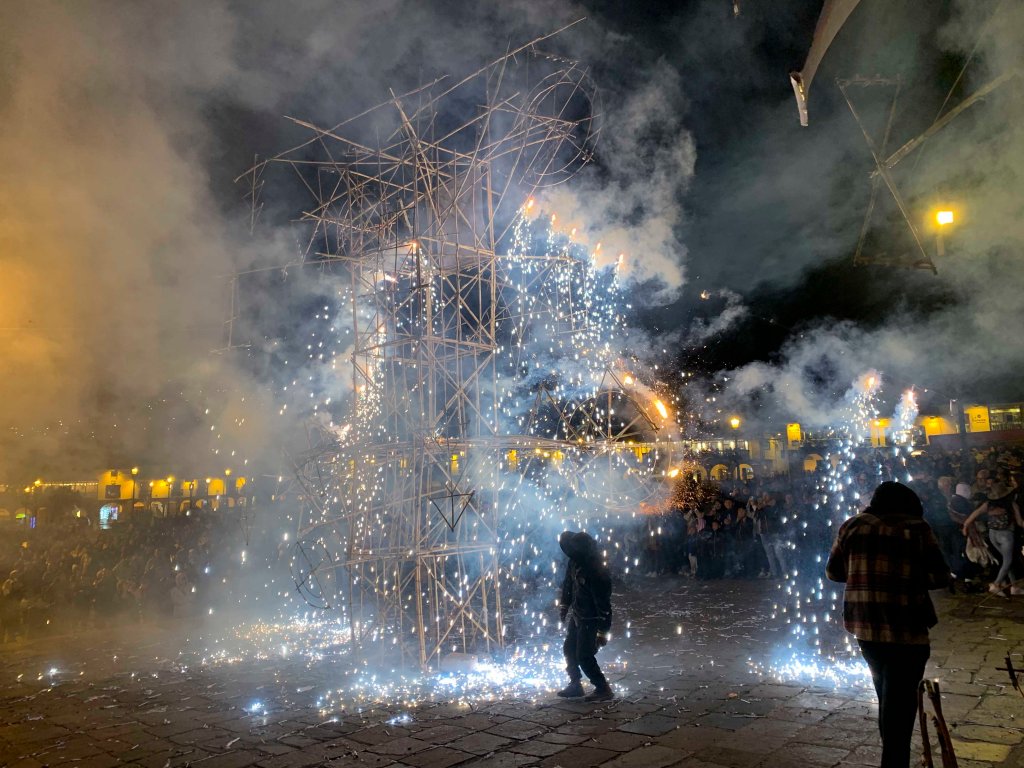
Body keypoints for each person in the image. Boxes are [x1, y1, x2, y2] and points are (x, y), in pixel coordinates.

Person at [826, 481, 951, 768]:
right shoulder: (917, 528)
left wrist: (862, 572)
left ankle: (893, 756)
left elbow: (833, 572)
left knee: (887, 695)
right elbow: (939, 577)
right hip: (906, 629)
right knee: (900, 704)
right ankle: (894, 761)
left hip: (866, 628)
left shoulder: (852, 525)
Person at [556, 531, 614, 701]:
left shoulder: (596, 570)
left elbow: (604, 606)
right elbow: (568, 584)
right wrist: (564, 606)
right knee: (569, 649)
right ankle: (575, 684)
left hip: (591, 620)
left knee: (584, 655)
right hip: (577, 615)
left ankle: (602, 688)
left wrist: (603, 632)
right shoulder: (574, 562)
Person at [961, 481, 1024, 596]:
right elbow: (1020, 522)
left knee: (1006, 561)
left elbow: (974, 514)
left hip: (992, 535)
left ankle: (1014, 587)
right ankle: (996, 584)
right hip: (1006, 536)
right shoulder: (1011, 504)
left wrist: (965, 526)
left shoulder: (988, 505)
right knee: (1008, 561)